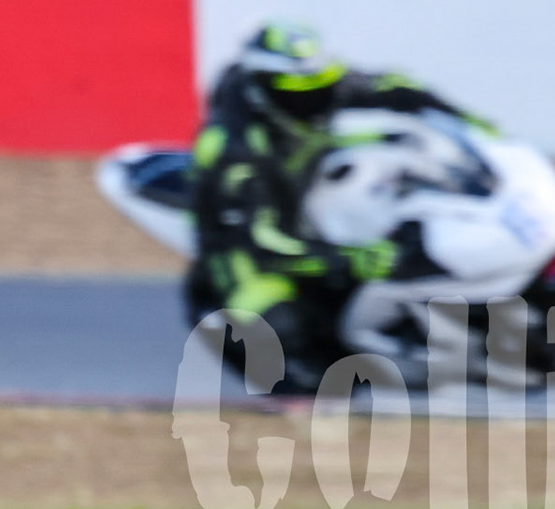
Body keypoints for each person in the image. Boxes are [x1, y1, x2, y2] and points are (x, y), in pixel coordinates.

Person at [188, 21, 488, 379]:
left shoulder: (316, 87)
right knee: (286, 332)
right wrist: (349, 258)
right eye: (298, 94)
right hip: (242, 252)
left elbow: (392, 86)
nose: (315, 101)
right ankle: (297, 388)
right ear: (263, 91)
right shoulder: (233, 153)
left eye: (321, 85)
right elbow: (260, 241)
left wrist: (470, 123)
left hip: (299, 201)